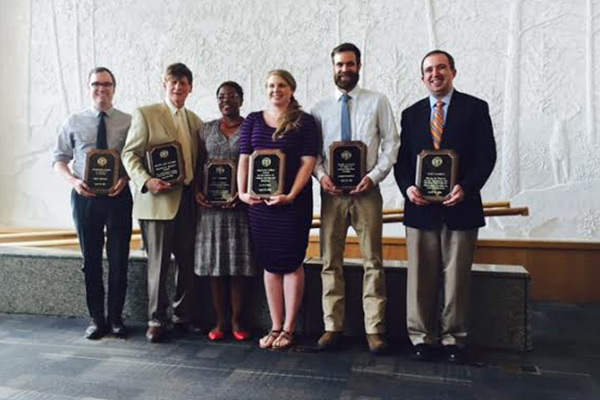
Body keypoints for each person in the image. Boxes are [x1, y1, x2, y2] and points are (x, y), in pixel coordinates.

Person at [393, 50, 496, 363]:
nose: (434, 74)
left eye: (441, 68)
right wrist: (407, 186)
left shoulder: (475, 108)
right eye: (428, 70)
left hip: (460, 208)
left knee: (456, 278)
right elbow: (402, 162)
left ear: (453, 71)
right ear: (422, 77)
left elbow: (486, 156)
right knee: (420, 277)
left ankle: (453, 338)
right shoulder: (410, 114)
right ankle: (422, 337)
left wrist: (466, 188)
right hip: (420, 208)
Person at [311, 43, 399, 354]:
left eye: (350, 64)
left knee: (372, 261)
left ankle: (374, 329)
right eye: (339, 65)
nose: (344, 70)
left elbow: (391, 143)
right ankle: (331, 325)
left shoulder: (377, 102)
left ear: (359, 66)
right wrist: (322, 177)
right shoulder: (319, 109)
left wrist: (373, 177)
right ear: (332, 68)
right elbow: (314, 155)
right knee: (329, 261)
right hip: (331, 196)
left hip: (367, 193)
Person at [121, 63, 202, 343]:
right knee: (158, 264)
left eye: (183, 83)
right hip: (157, 202)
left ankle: (182, 316)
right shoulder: (146, 114)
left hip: (189, 201)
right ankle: (156, 319)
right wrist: (146, 180)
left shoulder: (194, 120)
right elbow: (129, 154)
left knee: (186, 263)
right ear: (164, 85)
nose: (178, 87)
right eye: (173, 82)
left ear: (190, 88)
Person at [237, 69, 317, 350]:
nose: (275, 90)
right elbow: (244, 159)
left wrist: (291, 195)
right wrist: (242, 193)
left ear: (291, 89)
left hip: (292, 206)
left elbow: (308, 162)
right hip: (260, 208)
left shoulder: (305, 122)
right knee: (270, 265)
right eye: (271, 85)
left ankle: (289, 329)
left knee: (292, 263)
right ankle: (274, 325)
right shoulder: (253, 120)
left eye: (281, 85)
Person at [52, 67, 132, 340]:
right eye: (96, 84)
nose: (102, 89)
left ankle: (116, 319)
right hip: (85, 198)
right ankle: (97, 319)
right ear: (89, 88)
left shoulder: (128, 121)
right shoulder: (73, 121)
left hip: (118, 197)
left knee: (120, 259)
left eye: (107, 84)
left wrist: (126, 178)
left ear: (114, 88)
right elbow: (59, 159)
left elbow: (137, 157)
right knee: (91, 261)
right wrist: (74, 181)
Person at [195, 81, 258, 341]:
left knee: (238, 266)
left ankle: (237, 320)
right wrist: (197, 191)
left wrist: (244, 195)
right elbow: (197, 165)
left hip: (240, 210)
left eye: (232, 96)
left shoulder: (251, 129)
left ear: (241, 100)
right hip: (210, 212)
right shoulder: (205, 130)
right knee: (215, 268)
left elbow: (259, 168)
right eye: (221, 96)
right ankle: (219, 321)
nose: (226, 100)